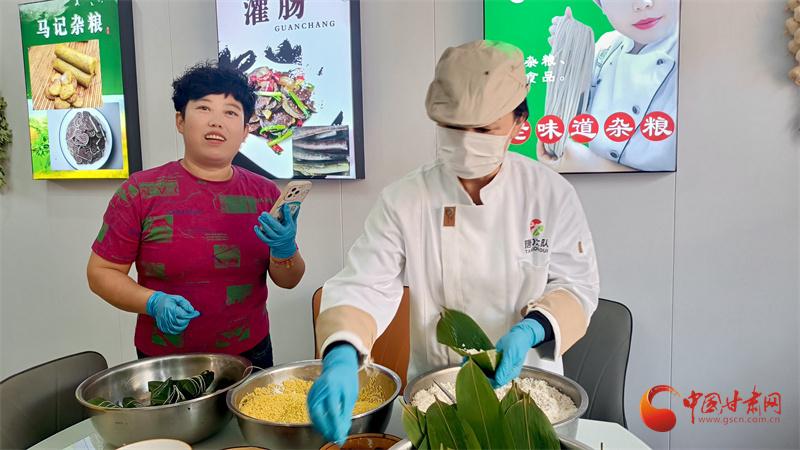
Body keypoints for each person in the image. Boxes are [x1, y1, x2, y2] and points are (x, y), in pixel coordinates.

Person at [306, 40, 599, 445]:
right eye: (454, 128)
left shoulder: (550, 194)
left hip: (529, 392)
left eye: (484, 130)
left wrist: (532, 330)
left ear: (519, 123)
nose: (466, 142)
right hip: (437, 394)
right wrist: (341, 353)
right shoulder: (405, 198)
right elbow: (365, 284)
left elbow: (577, 286)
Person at [86, 62, 305, 368]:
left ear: (245, 131)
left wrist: (285, 250)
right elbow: (101, 273)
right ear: (180, 120)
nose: (217, 121)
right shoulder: (140, 192)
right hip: (166, 359)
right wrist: (151, 302)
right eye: (203, 108)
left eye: (231, 112)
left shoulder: (265, 194)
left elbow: (289, 280)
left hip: (250, 353)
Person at [540, 0, 680, 172]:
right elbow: (578, 116)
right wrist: (573, 64)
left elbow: (694, 180)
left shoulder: (699, 58)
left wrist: (592, 166)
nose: (642, 4)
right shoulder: (607, 46)